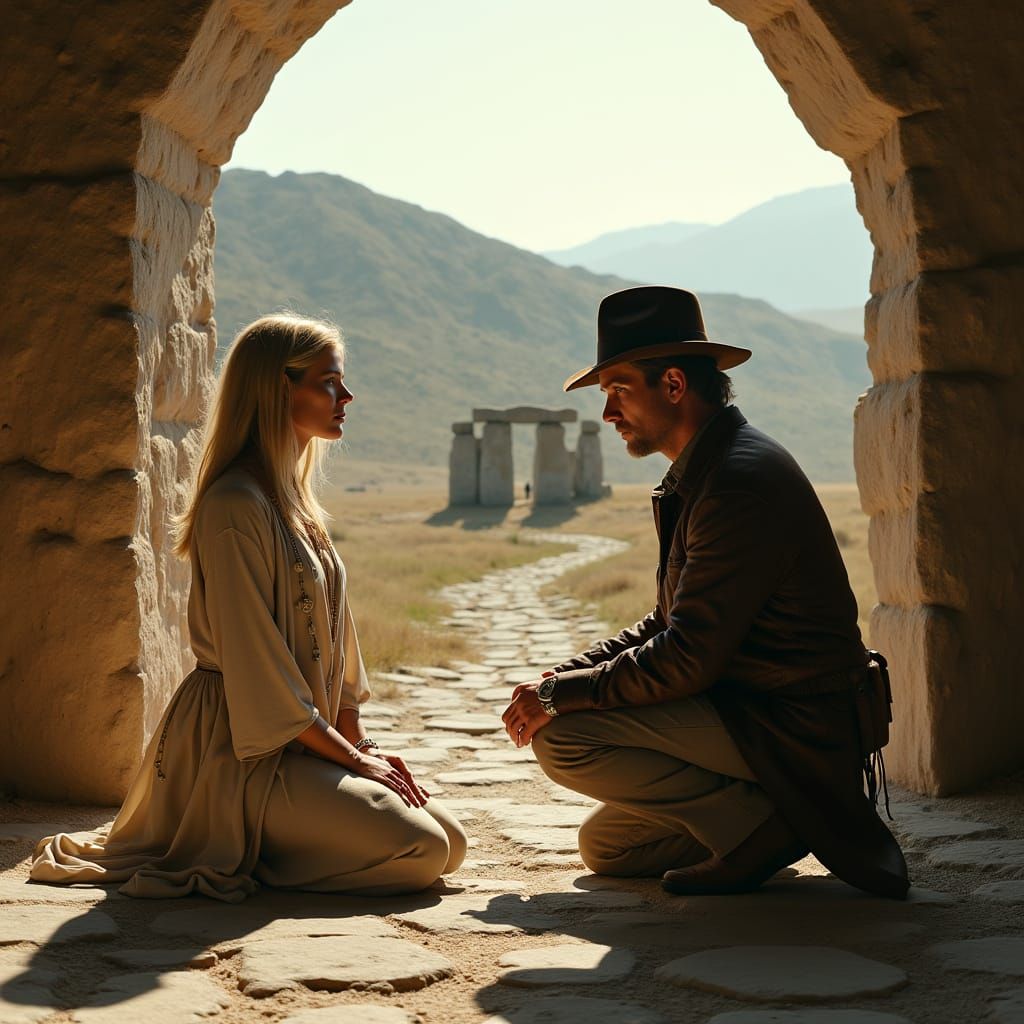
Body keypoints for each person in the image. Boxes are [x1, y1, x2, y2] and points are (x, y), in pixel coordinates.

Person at [32, 314, 466, 901]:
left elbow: (338, 641)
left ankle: (291, 834)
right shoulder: (235, 505)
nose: (347, 396)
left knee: (452, 841)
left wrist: (360, 747)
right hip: (239, 751)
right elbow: (255, 669)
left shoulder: (294, 502)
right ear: (278, 389)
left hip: (302, 739)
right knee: (423, 851)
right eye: (329, 382)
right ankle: (246, 850)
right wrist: (352, 764)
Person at [501, 286, 909, 899]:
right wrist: (565, 674)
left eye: (617, 390)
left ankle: (767, 827)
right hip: (752, 712)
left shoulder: (737, 484)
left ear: (672, 385)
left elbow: (687, 655)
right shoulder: (706, 471)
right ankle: (769, 815)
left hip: (792, 725)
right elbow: (667, 622)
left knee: (564, 735)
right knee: (609, 848)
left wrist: (561, 697)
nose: (608, 413)